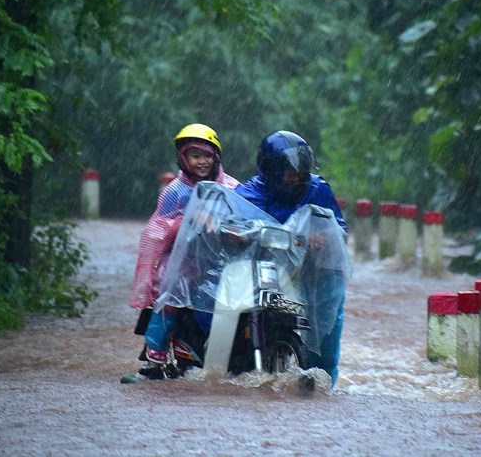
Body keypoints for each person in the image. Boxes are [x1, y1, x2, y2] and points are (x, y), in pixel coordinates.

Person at [121, 123, 239, 384]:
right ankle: (155, 358)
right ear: (183, 158)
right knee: (170, 299)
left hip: (219, 261)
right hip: (181, 261)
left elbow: (244, 215)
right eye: (195, 156)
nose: (202, 162)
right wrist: (188, 221)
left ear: (216, 157)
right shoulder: (175, 191)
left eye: (207, 155)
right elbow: (158, 229)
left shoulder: (230, 187)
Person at [234, 130, 349, 387]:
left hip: (316, 271)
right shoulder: (248, 193)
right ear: (271, 172)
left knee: (325, 338)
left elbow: (340, 228)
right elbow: (229, 224)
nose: (297, 179)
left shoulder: (318, 189)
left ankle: (323, 387)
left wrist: (323, 235)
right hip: (266, 272)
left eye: (302, 174)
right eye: (290, 174)